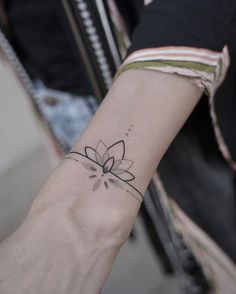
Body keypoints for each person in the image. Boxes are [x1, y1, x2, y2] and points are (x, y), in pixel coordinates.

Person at [0, 0, 236, 293]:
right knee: (164, 229)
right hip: (56, 86)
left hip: (172, 86)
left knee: (210, 218)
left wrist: (80, 217)